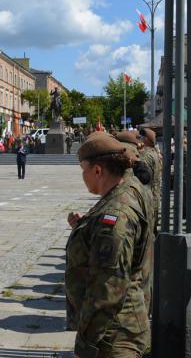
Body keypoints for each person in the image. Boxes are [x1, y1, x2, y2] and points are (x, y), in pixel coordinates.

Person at [66, 133, 150, 357]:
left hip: (112, 334)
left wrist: (86, 341)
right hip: (118, 326)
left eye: (83, 169)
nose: (82, 175)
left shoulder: (115, 215)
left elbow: (107, 288)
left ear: (97, 170)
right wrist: (86, 225)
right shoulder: (121, 194)